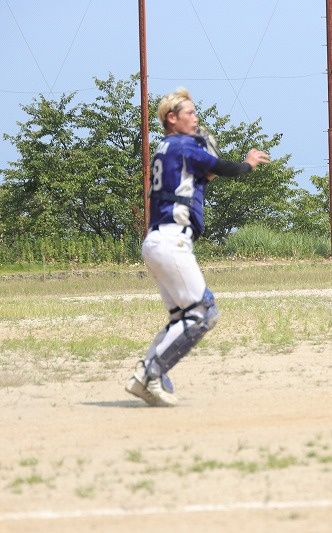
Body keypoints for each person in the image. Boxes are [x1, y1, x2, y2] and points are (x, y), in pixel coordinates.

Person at [125, 88, 269, 407]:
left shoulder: (166, 148)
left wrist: (207, 170)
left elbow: (197, 179)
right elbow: (224, 167)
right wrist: (247, 163)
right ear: (171, 118)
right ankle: (150, 373)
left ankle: (146, 377)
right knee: (204, 312)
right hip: (171, 241)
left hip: (157, 241)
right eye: (189, 112)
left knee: (182, 316)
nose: (195, 117)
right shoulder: (182, 144)